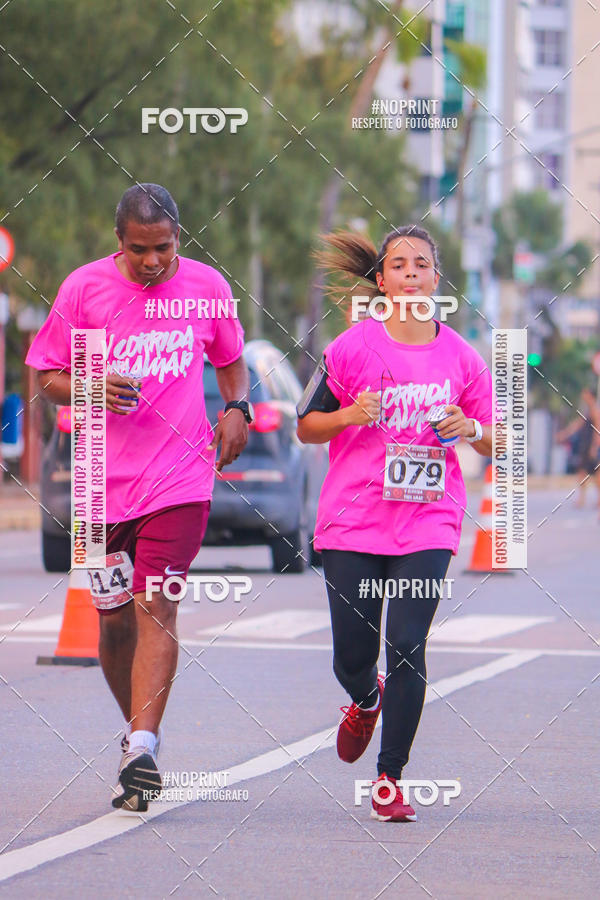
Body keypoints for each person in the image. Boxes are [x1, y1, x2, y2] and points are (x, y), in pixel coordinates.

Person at [26, 183, 253, 812]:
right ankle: (137, 742)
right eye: (139, 250)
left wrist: (237, 407)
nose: (152, 261)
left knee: (158, 604)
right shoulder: (83, 290)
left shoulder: (208, 287)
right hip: (98, 483)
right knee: (114, 621)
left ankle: (144, 746)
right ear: (117, 243)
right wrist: (89, 386)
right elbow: (46, 374)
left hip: (180, 479)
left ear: (179, 235)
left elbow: (229, 358)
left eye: (163, 247)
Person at [297, 226, 493, 822]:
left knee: (407, 646)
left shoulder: (463, 358)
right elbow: (306, 426)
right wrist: (352, 414)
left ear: (438, 278)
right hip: (353, 524)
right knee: (352, 658)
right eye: (399, 265)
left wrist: (473, 431)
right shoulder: (351, 349)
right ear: (381, 280)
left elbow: (503, 442)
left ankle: (390, 777)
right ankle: (363, 698)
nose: (411, 273)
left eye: (422, 264)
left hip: (427, 525)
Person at [555, 388, 600, 511]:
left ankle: (597, 500)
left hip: (591, 447)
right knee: (582, 473)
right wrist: (564, 434)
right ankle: (582, 499)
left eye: (585, 393)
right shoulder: (586, 411)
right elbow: (576, 425)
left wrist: (594, 448)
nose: (583, 395)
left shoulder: (595, 411)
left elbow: (597, 430)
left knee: (597, 475)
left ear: (590, 396)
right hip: (584, 446)